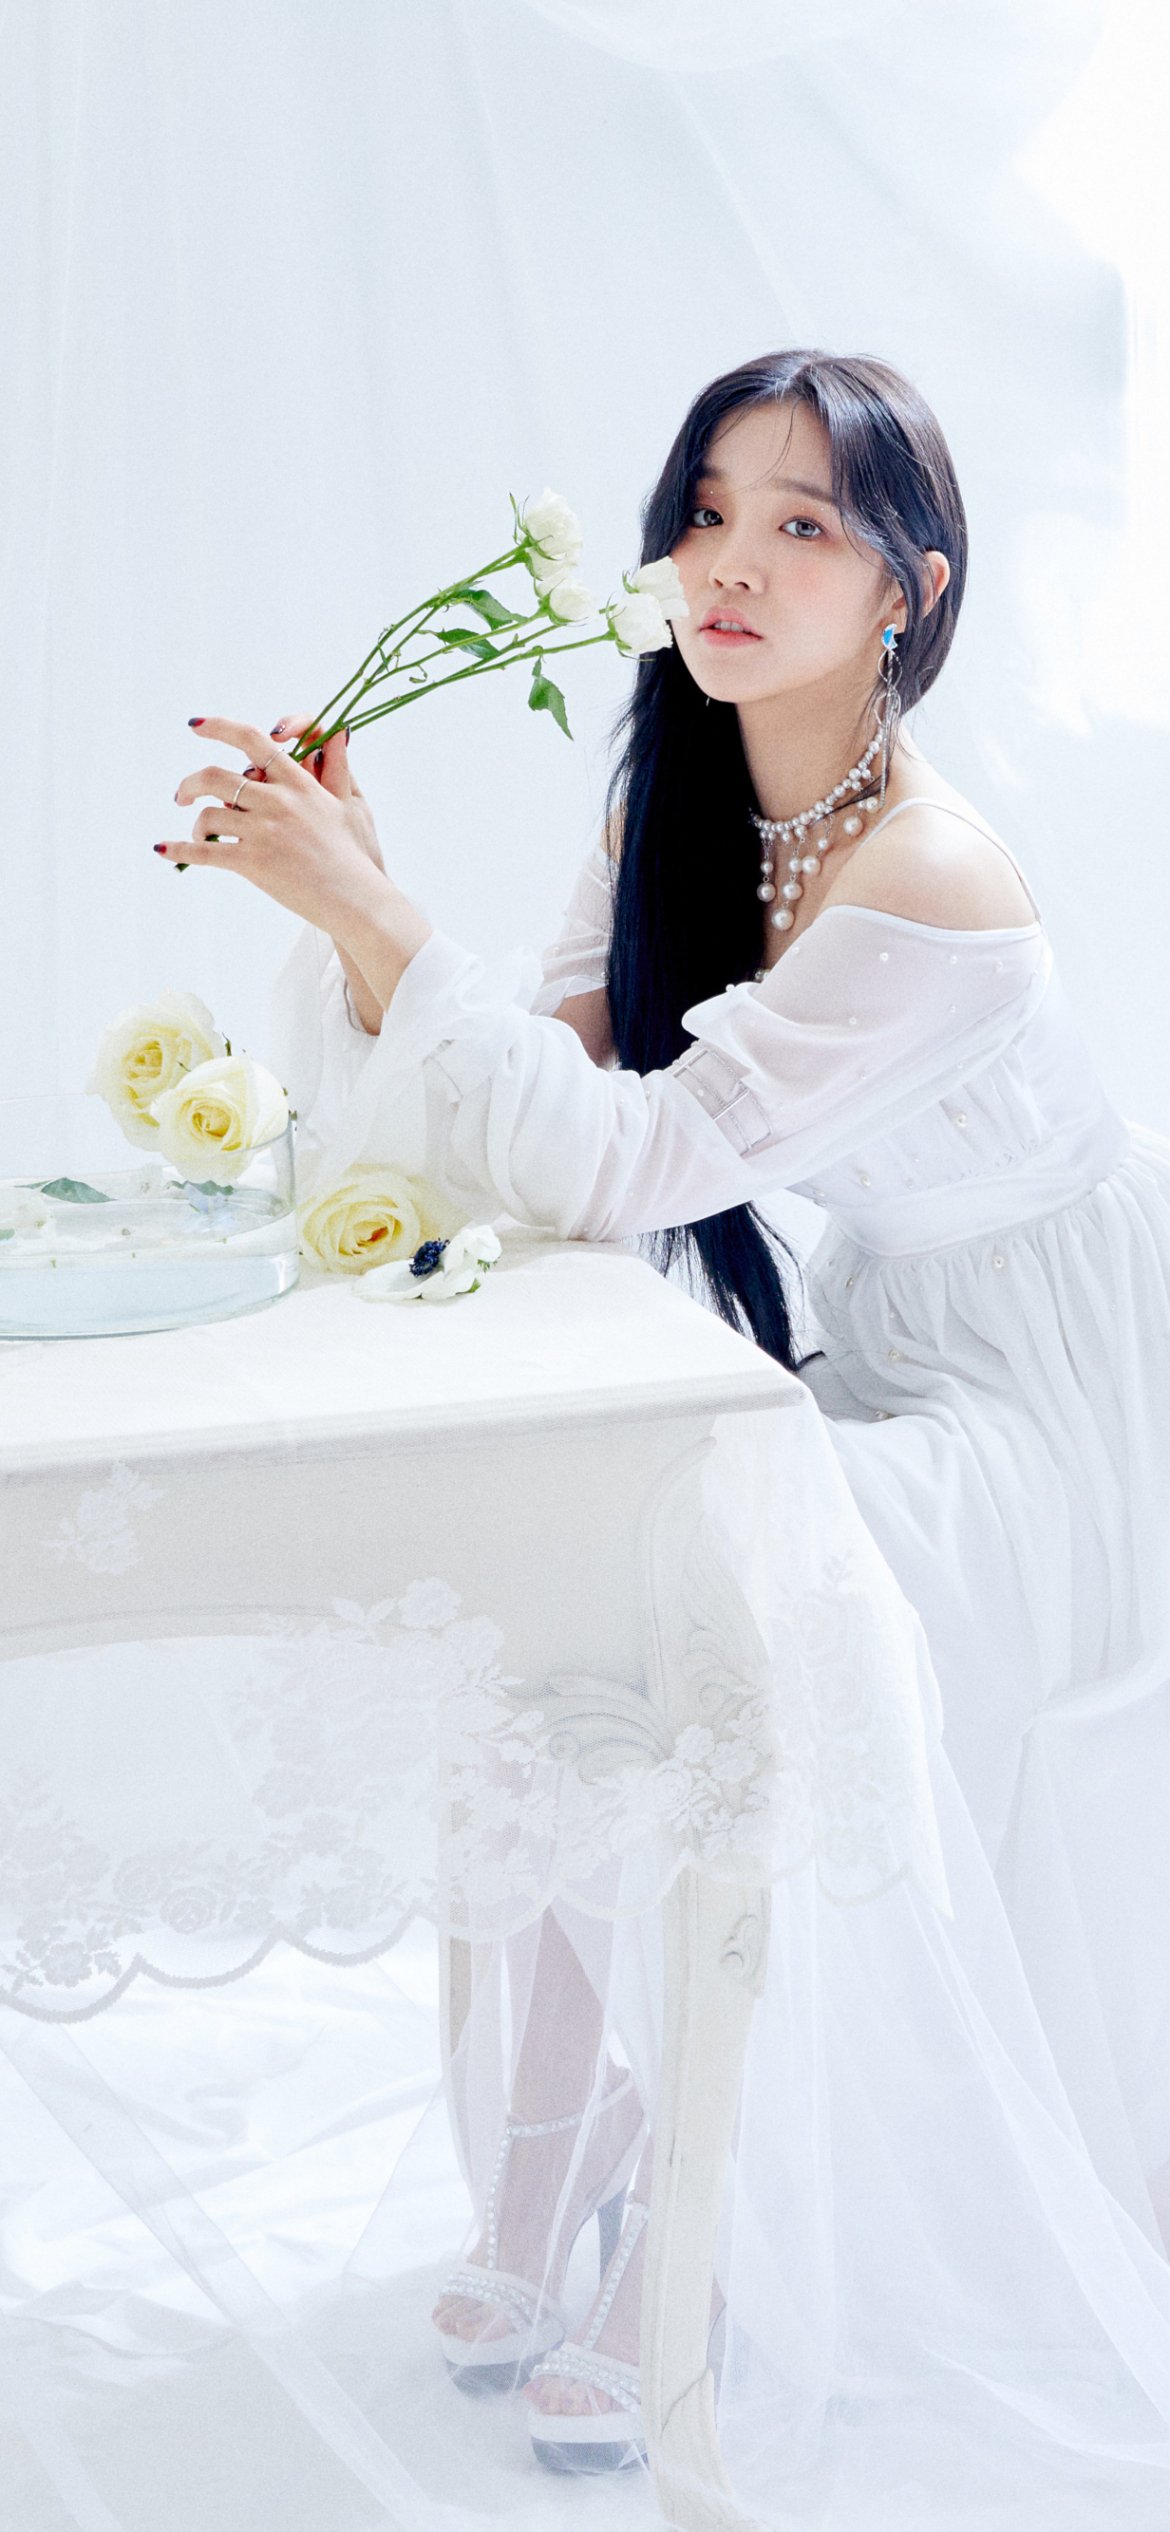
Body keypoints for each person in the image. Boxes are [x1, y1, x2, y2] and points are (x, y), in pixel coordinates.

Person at [162, 351, 1170, 2521]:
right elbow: (539, 1083)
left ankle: (683, 2188)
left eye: (804, 524)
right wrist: (365, 917)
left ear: (911, 587)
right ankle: (582, 2131)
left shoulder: (940, 880)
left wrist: (376, 916)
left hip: (1038, 1417)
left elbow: (646, 1164)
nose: (732, 559)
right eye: (711, 507)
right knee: (555, 1567)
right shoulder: (680, 795)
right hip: (885, 1355)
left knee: (688, 1583)